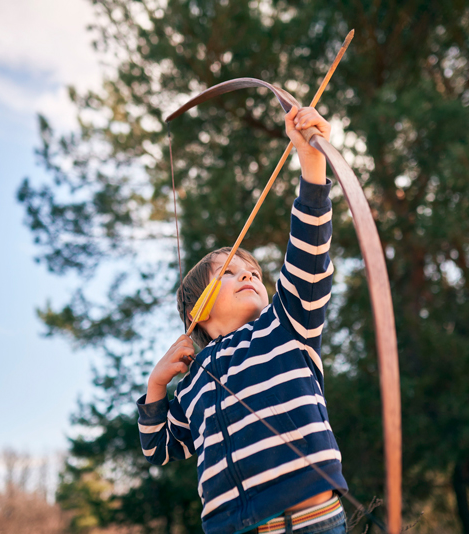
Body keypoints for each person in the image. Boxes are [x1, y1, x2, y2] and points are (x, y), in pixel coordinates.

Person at [137, 105, 347, 534]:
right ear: (198, 312)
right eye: (229, 271)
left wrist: (310, 159)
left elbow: (308, 249)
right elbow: (159, 448)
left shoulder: (286, 327)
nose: (248, 273)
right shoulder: (192, 384)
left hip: (308, 520)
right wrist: (157, 386)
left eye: (253, 271)